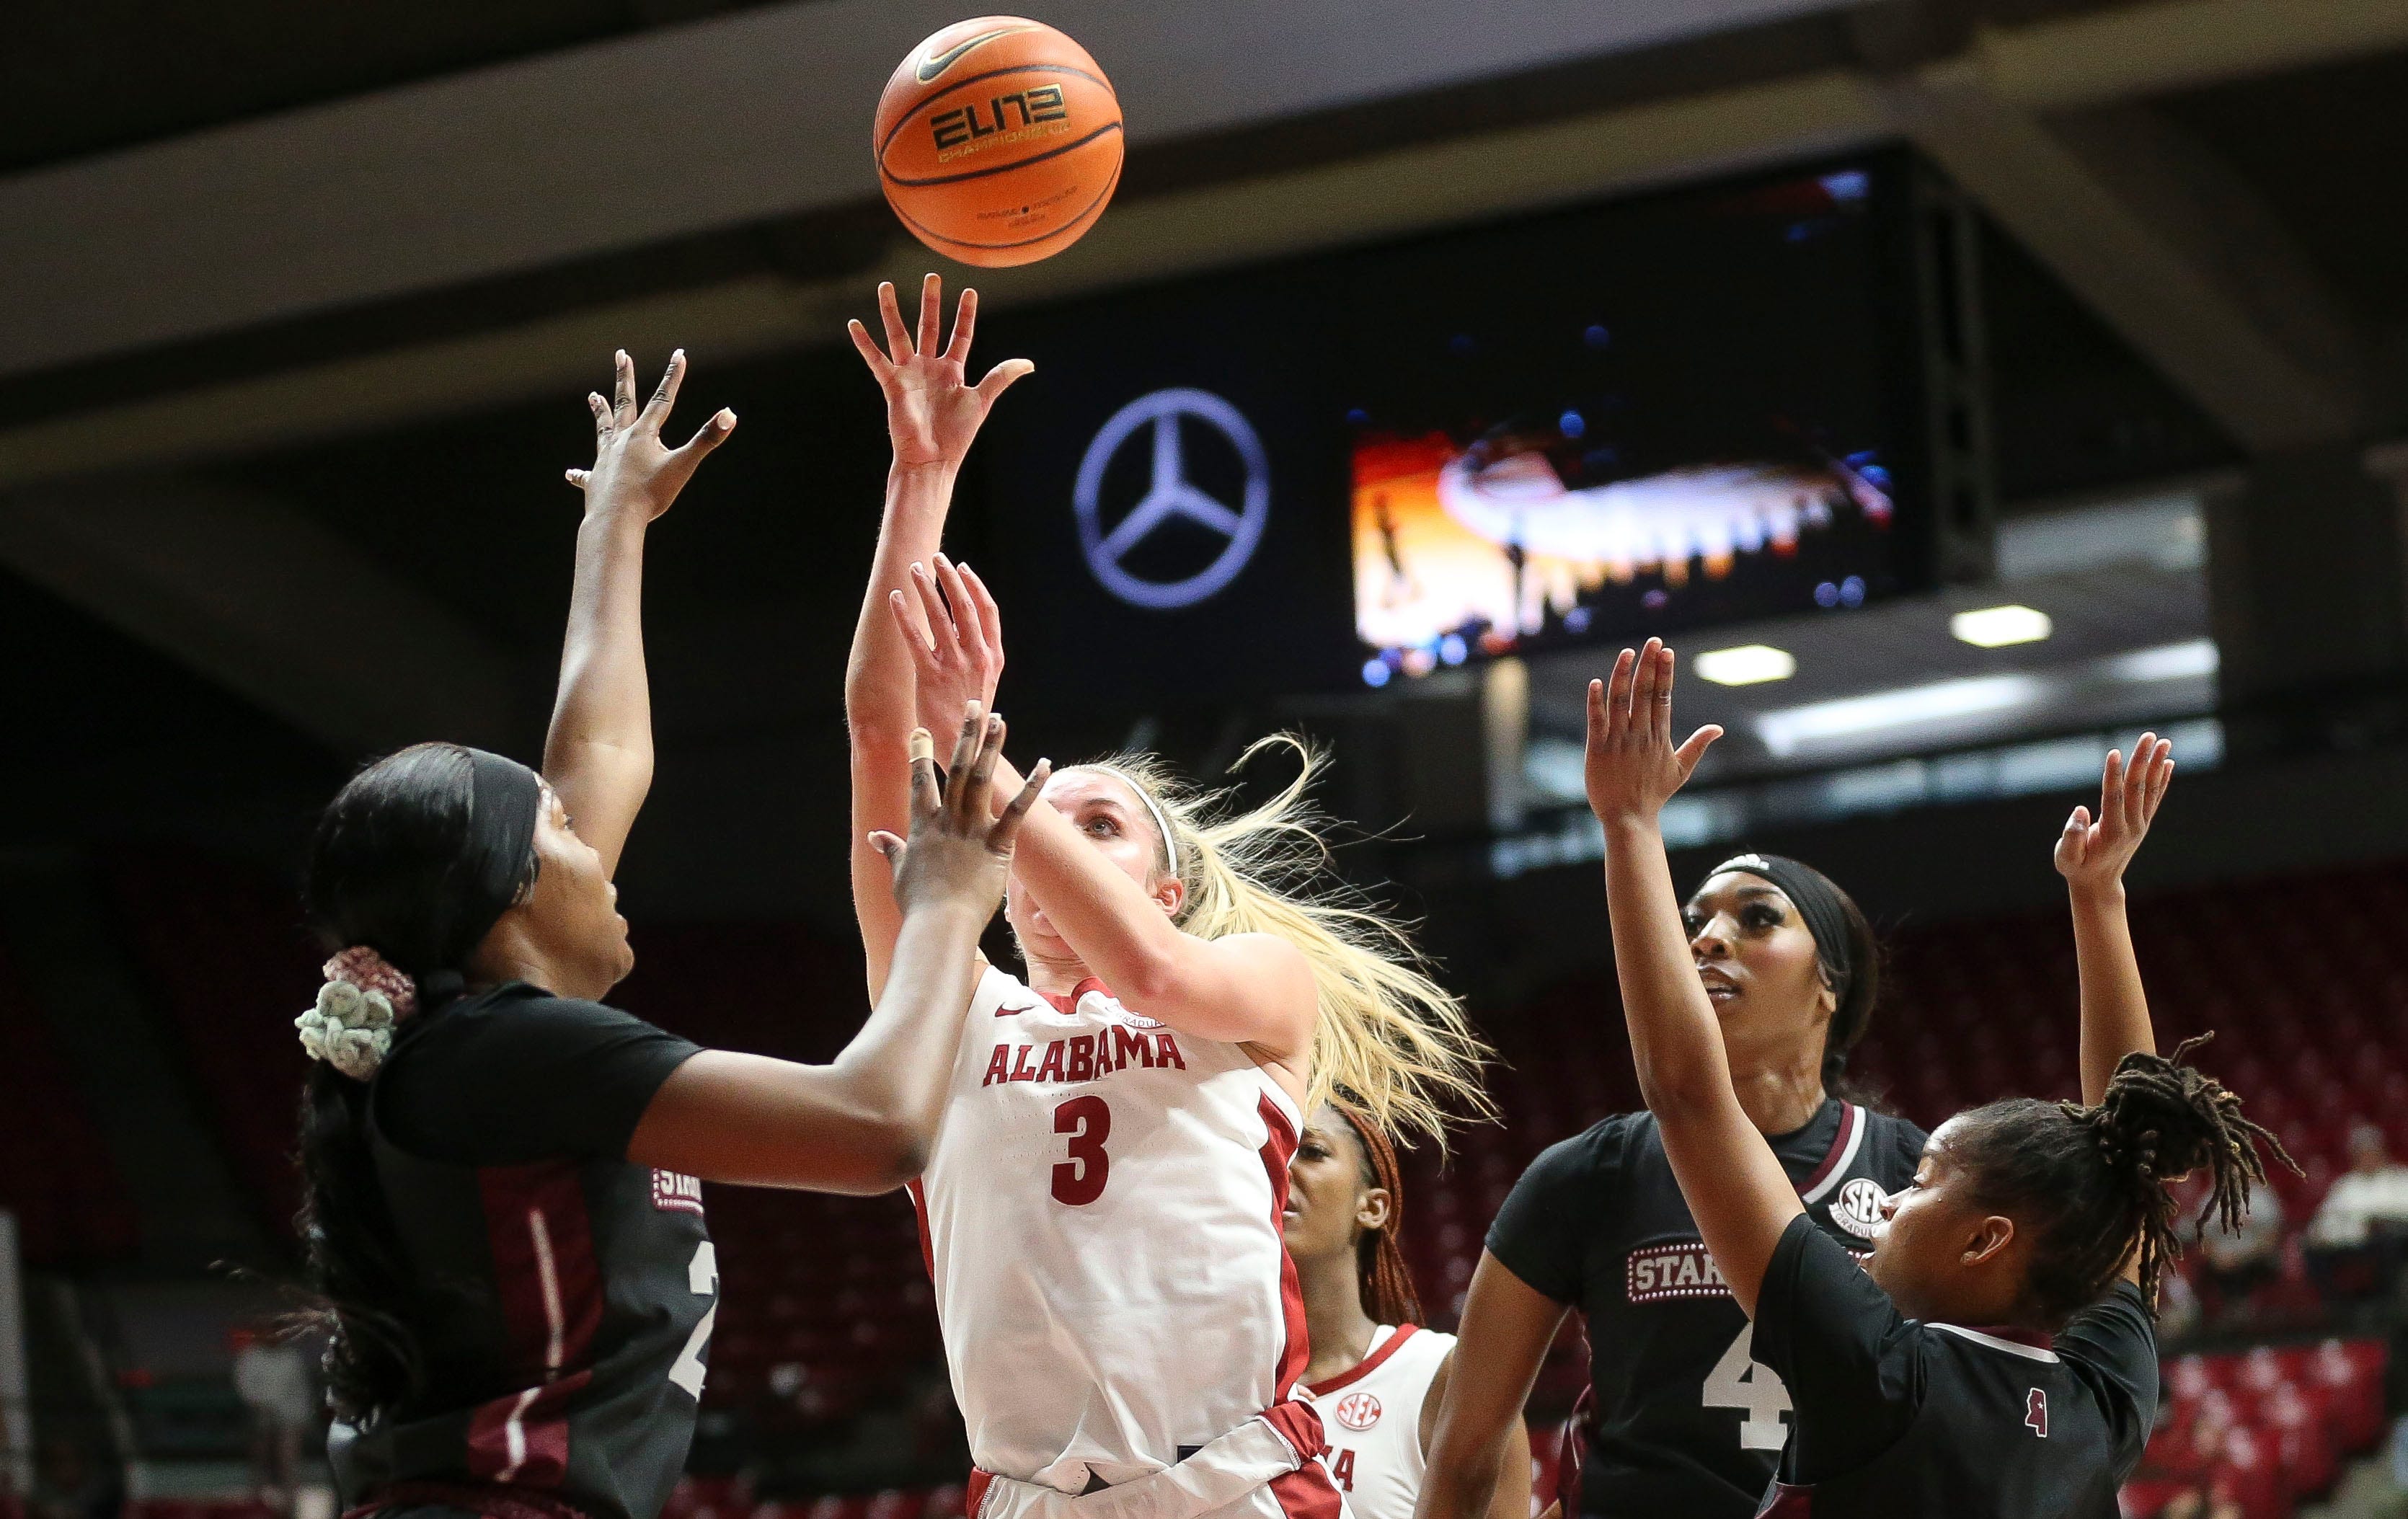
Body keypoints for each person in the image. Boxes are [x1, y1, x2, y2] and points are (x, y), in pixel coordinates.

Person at [299, 350, 1047, 1519]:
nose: (594, 841)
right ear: (505, 895)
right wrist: (949, 900)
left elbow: (598, 755)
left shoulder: (481, 1040)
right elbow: (877, 1126)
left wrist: (616, 519)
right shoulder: (498, 1052)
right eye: (557, 830)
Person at [844, 275, 1492, 1519]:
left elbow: (1145, 971)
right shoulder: (947, 1005)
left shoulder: (1252, 987)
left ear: (1169, 882)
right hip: (1031, 1496)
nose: (1054, 836)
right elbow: (882, 727)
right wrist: (917, 480)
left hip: (1229, 1483)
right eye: (1049, 812)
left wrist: (989, 762)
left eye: (1103, 822)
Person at [1569, 641, 2287, 1516]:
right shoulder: (2100, 1398)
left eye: (1919, 1183)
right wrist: (2098, 901)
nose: (1887, 1202)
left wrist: (1630, 828)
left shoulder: (1880, 1370)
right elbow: (2127, 1157)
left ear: (1984, 1239)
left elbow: (1687, 1094)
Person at [1422, 766, 1922, 1514]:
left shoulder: (1912, 1175)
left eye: (1756, 919)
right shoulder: (1588, 1174)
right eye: (1695, 920)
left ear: (1830, 985)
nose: (1709, 938)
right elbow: (1464, 1455)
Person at [1285, 1104, 1529, 1519]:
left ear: (1373, 1207)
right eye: (1270, 1150)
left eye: (1310, 1151)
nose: (1281, 1167)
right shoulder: (1211, 1386)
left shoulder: (1445, 1376)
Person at [2305, 1122, 2408, 1301]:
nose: (2367, 1158)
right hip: (2353, 1243)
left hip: (2390, 1243)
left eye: (2371, 1152)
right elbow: (2325, 1221)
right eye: (2362, 1153)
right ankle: (2341, 1311)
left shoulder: (2399, 1179)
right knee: (2312, 1251)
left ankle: (2387, 1308)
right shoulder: (2345, 1185)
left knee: (2390, 1244)